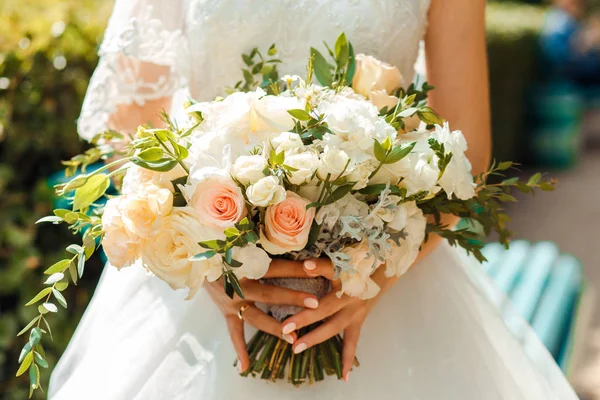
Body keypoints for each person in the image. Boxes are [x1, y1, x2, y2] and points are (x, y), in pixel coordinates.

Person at [48, 0, 579, 399]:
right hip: (203, 276)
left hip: (383, 278)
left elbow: (468, 146)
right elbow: (133, 123)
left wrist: (375, 275)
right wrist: (206, 255)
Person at [541, 0, 600, 85]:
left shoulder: (568, 19)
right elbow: (565, 62)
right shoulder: (559, 23)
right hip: (569, 80)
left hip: (579, 74)